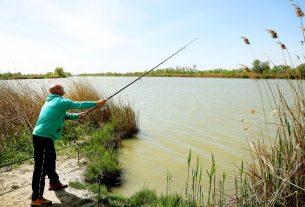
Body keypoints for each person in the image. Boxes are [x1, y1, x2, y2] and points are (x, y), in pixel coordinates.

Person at [31, 84, 105, 207]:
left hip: (44, 137)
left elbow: (64, 115)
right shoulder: (60, 101)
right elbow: (79, 104)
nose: (64, 89)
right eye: (61, 87)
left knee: (50, 160)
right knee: (41, 168)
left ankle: (54, 183)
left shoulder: (52, 102)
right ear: (57, 91)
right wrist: (97, 103)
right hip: (42, 137)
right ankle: (36, 198)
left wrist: (77, 116)